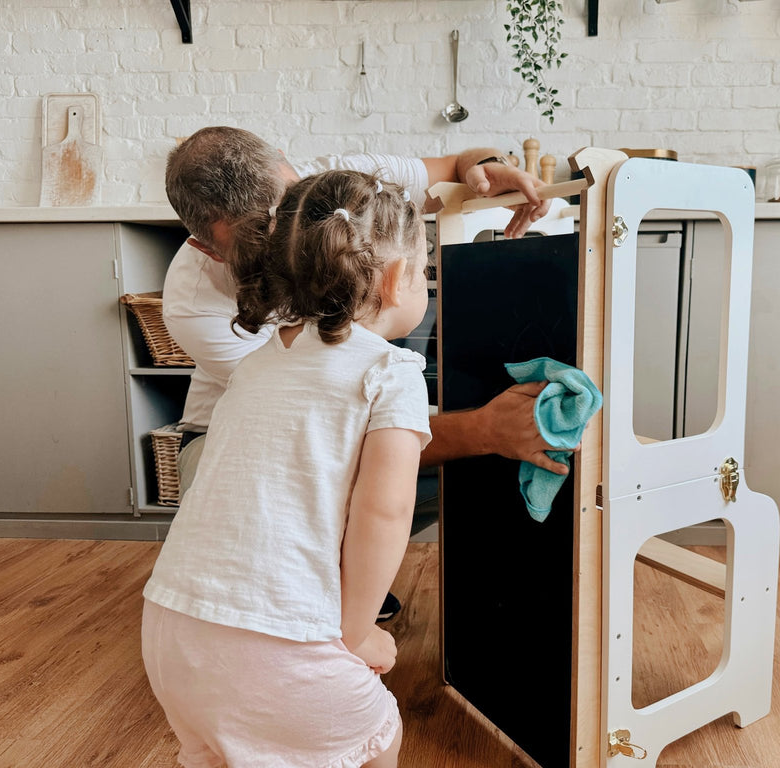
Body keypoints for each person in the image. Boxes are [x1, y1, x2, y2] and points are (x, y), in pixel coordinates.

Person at [162, 127, 568, 620]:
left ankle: (331, 575)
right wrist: (485, 429)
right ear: (206, 249)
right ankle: (292, 583)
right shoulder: (194, 304)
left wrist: (485, 165)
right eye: (253, 240)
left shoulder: (337, 186)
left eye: (287, 216)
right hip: (240, 435)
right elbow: (320, 433)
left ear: (297, 173)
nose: (284, 249)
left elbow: (458, 162)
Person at [142, 169, 431, 768]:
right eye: (425, 270)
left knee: (223, 751)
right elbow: (384, 511)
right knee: (378, 731)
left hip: (171, 631)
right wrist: (357, 633)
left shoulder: (253, 366)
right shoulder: (391, 371)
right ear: (400, 278)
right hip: (278, 650)